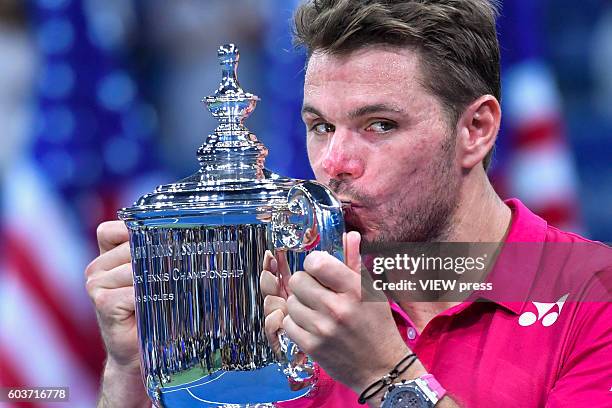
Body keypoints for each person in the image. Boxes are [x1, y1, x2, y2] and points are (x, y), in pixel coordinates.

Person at [86, 0, 611, 407]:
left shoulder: (596, 296)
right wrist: (130, 371)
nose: (334, 161)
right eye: (320, 127)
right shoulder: (268, 298)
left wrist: (383, 374)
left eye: (379, 126)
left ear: (476, 130)